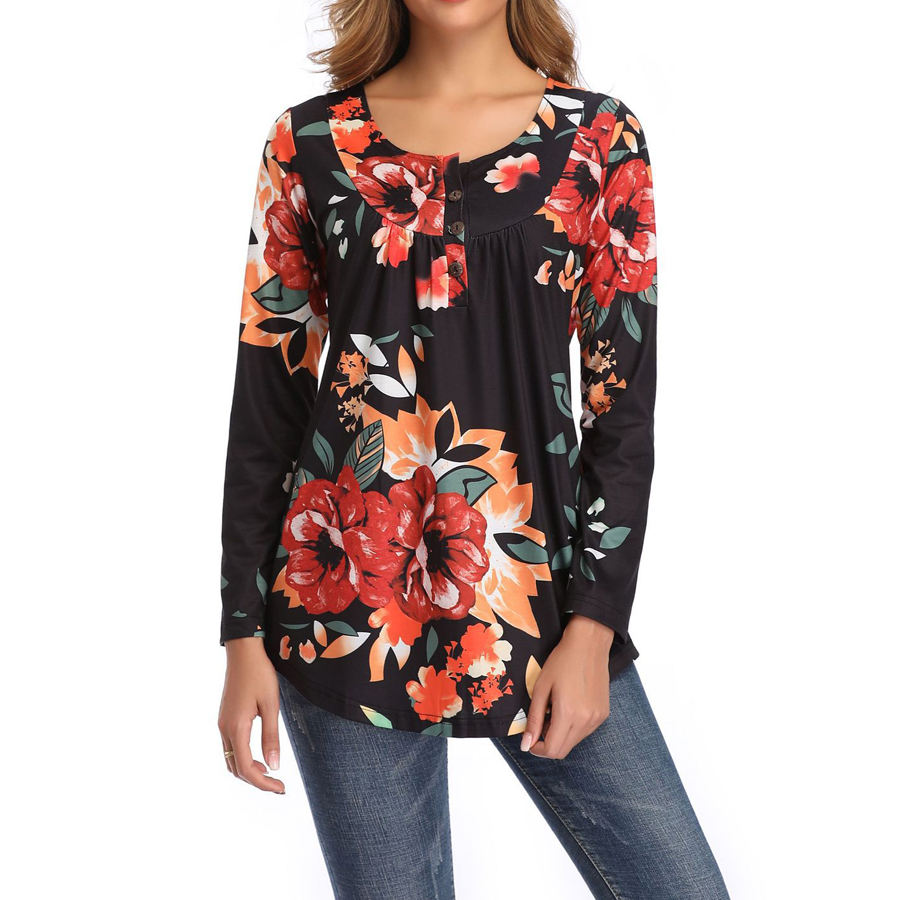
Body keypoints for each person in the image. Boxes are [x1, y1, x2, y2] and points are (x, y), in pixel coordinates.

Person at [217, 1, 731, 897]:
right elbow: (269, 401)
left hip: (544, 604)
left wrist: (595, 627)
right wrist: (241, 632)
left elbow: (621, 409)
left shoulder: (600, 141)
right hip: (342, 612)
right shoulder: (306, 143)